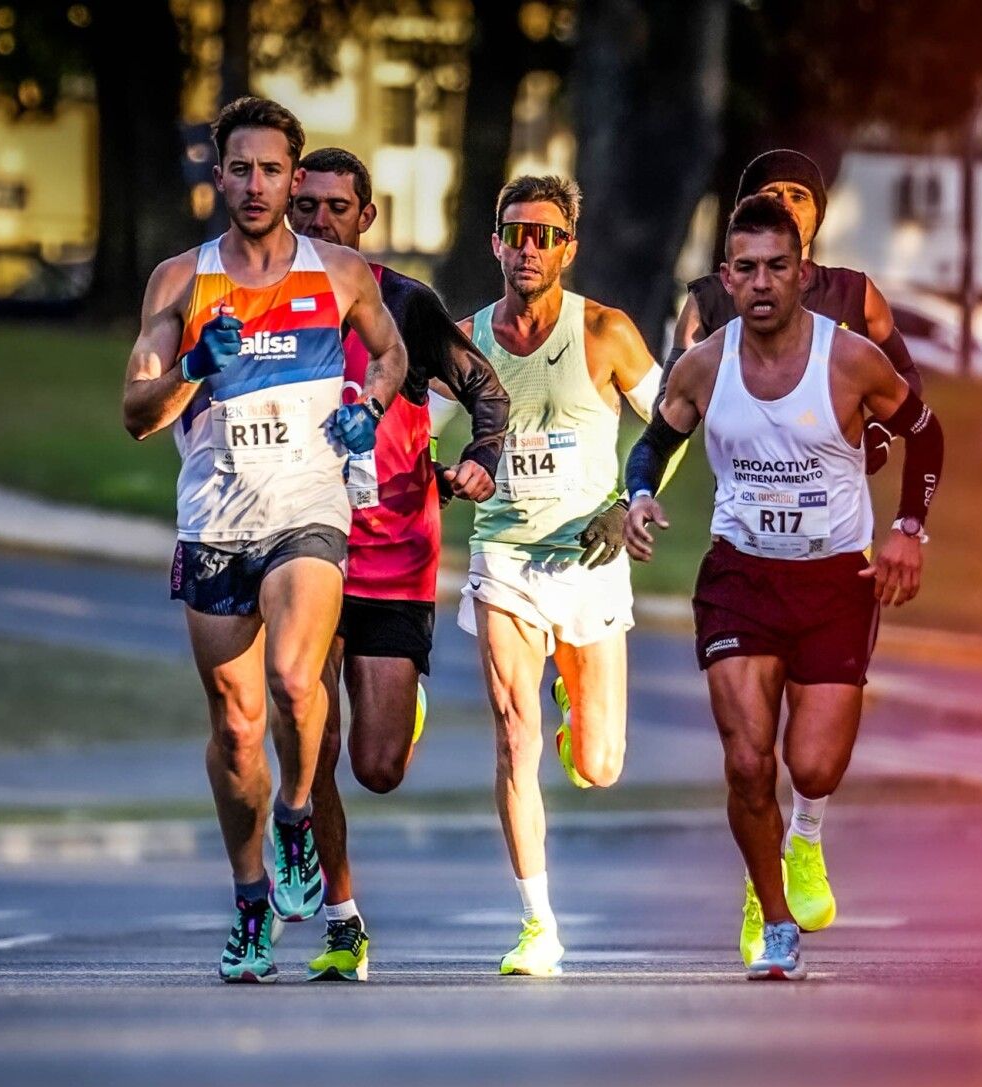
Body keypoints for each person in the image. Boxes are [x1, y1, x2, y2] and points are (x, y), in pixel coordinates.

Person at [120, 97, 407, 984]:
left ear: (292, 176)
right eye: (239, 168)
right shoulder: (180, 282)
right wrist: (196, 366)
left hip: (306, 516)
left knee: (293, 679)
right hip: (213, 524)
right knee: (237, 729)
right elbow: (135, 413)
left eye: (272, 170)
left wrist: (369, 406)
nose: (256, 185)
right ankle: (250, 904)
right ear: (219, 176)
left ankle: (295, 817)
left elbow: (391, 355)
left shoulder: (342, 274)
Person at [623, 194, 937, 980]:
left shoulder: (851, 358)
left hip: (835, 578)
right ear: (726, 278)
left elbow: (926, 433)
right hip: (740, 576)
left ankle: (804, 833)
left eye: (777, 267)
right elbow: (654, 442)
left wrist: (908, 531)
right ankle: (774, 920)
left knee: (814, 766)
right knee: (746, 763)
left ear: (802, 273)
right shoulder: (705, 364)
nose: (762, 283)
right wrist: (638, 495)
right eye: (746, 268)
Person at [285, 146, 509, 981]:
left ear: (365, 218)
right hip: (299, 549)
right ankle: (342, 920)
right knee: (313, 741)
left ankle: (400, 704)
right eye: (304, 205)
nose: (316, 222)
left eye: (334, 208)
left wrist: (481, 457)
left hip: (393, 554)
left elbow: (486, 390)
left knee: (375, 766)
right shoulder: (261, 304)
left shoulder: (405, 302)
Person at [455, 175, 663, 977]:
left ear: (569, 248)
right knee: (514, 736)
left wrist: (631, 499)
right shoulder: (467, 342)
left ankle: (577, 696)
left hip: (591, 560)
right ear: (496, 243)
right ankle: (538, 925)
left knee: (600, 766)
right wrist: (448, 477)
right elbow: (423, 437)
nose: (528, 248)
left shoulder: (606, 333)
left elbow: (675, 421)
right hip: (504, 557)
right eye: (515, 233)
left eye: (545, 235)